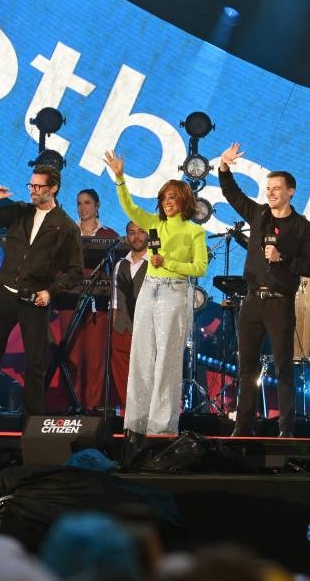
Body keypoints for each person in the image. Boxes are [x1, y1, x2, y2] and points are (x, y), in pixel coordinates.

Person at [0, 165, 83, 431]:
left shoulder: (65, 226)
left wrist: (50, 292)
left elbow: (75, 271)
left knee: (35, 364)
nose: (33, 191)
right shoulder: (19, 211)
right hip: (4, 294)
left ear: (53, 188)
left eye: (38, 187)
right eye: (31, 186)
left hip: (34, 299)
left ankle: (32, 424)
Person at [218, 143, 310, 437]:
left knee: (282, 367)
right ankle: (243, 426)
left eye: (277, 188)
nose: (271, 193)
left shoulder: (305, 228)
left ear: (291, 191)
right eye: (268, 188)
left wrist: (283, 259)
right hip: (252, 301)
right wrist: (224, 167)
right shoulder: (260, 215)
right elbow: (233, 195)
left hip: (279, 303)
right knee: (247, 367)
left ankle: (285, 429)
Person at [102, 150, 208, 436]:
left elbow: (200, 266)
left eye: (172, 197)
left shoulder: (194, 231)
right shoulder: (154, 224)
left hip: (175, 292)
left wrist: (168, 263)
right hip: (149, 289)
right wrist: (119, 177)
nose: (168, 202)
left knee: (167, 359)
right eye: (164, 198)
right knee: (141, 354)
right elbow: (129, 207)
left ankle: (162, 426)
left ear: (183, 200)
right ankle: (136, 423)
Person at [56, 189, 119, 412]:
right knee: (70, 357)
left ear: (97, 205)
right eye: (79, 203)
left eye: (87, 203)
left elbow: (116, 273)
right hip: (68, 303)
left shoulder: (109, 234)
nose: (83, 208)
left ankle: (93, 410)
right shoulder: (66, 232)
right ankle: (71, 408)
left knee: (95, 360)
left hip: (98, 306)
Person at [110, 221, 149, 411]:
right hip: (122, 327)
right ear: (126, 237)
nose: (137, 236)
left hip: (145, 329)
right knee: (121, 371)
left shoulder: (156, 263)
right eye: (132, 232)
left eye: (141, 231)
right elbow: (116, 300)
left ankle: (144, 413)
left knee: (143, 373)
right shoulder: (120, 264)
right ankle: (128, 412)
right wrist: (115, 324)